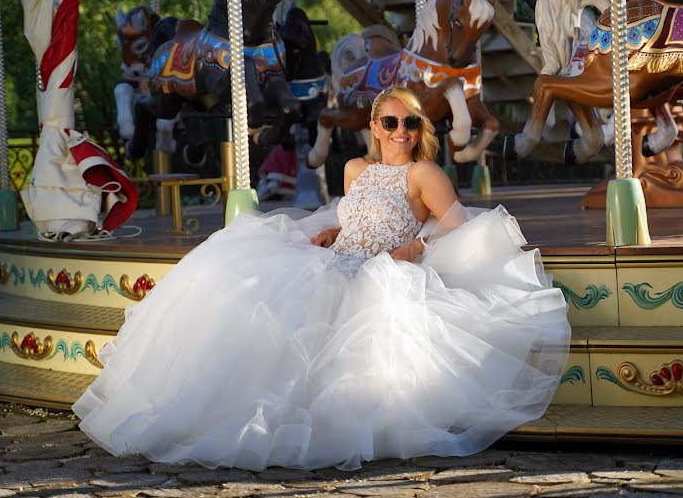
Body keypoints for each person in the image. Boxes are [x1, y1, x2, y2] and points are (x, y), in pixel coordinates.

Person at [73, 86, 571, 471]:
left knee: (347, 316)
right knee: (241, 281)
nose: (401, 131)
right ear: (375, 126)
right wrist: (334, 228)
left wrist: (418, 244)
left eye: (411, 122)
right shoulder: (356, 168)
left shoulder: (424, 174)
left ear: (420, 128)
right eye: (391, 122)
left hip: (384, 268)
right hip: (339, 257)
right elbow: (352, 210)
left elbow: (459, 228)